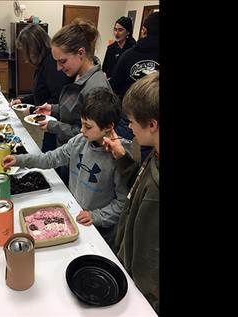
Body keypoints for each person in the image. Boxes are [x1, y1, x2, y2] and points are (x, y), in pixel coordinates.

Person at [3, 88, 135, 244]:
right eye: (81, 124)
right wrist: (20, 160)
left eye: (88, 126)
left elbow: (123, 204)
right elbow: (50, 158)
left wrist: (96, 216)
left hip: (99, 231)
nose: (81, 130)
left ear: (108, 126)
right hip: (74, 213)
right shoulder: (79, 142)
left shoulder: (120, 157)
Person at [103, 71, 159, 313]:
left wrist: (141, 302)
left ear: (153, 124)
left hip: (141, 296)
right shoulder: (155, 155)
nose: (130, 128)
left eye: (132, 121)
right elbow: (139, 185)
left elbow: (149, 256)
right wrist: (122, 158)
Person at [33, 18, 112, 186]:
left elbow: (88, 134)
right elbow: (75, 111)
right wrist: (53, 109)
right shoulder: (78, 74)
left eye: (62, 61)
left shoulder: (96, 88)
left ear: (81, 53)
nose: (58, 68)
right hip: (69, 151)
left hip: (82, 161)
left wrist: (53, 126)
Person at [9, 24, 74, 153]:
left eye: (24, 50)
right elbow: (42, 92)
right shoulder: (44, 61)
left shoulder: (51, 63)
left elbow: (58, 99)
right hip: (50, 121)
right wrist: (23, 101)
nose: (24, 56)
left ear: (32, 47)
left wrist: (34, 109)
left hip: (58, 124)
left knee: (51, 162)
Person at [109, 11, 159, 163]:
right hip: (153, 119)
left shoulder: (129, 54)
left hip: (131, 115)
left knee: (121, 155)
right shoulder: (118, 50)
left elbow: (114, 86)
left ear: (144, 30)